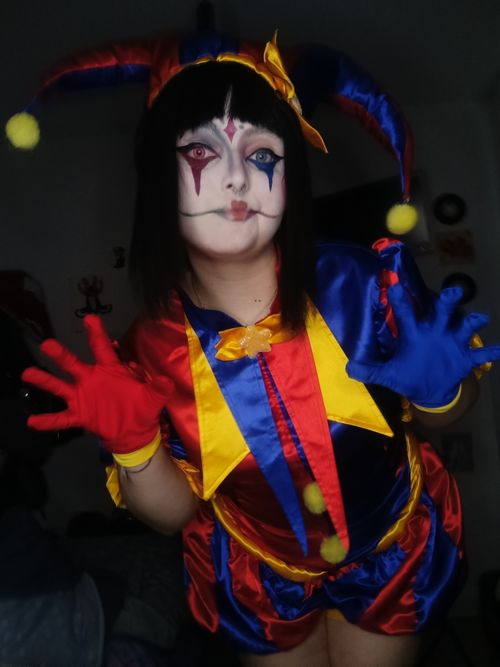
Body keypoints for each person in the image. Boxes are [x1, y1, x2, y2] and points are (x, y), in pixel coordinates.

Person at [21, 38, 500, 667]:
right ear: (159, 180)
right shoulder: (149, 348)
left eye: (262, 154)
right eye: (201, 151)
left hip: (390, 550)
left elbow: (452, 410)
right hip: (261, 578)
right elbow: (172, 515)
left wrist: (443, 394)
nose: (237, 177)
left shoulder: (367, 282)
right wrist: (134, 447)